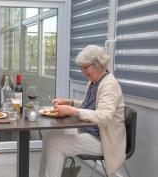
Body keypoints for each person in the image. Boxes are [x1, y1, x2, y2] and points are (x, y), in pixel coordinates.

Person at [39, 45, 126, 177]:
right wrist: (70, 102)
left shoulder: (109, 85)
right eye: (81, 68)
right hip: (88, 131)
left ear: (98, 64)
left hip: (103, 140)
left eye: (86, 67)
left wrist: (72, 110)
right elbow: (89, 106)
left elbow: (103, 117)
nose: (83, 71)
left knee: (55, 144)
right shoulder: (94, 81)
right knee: (49, 136)